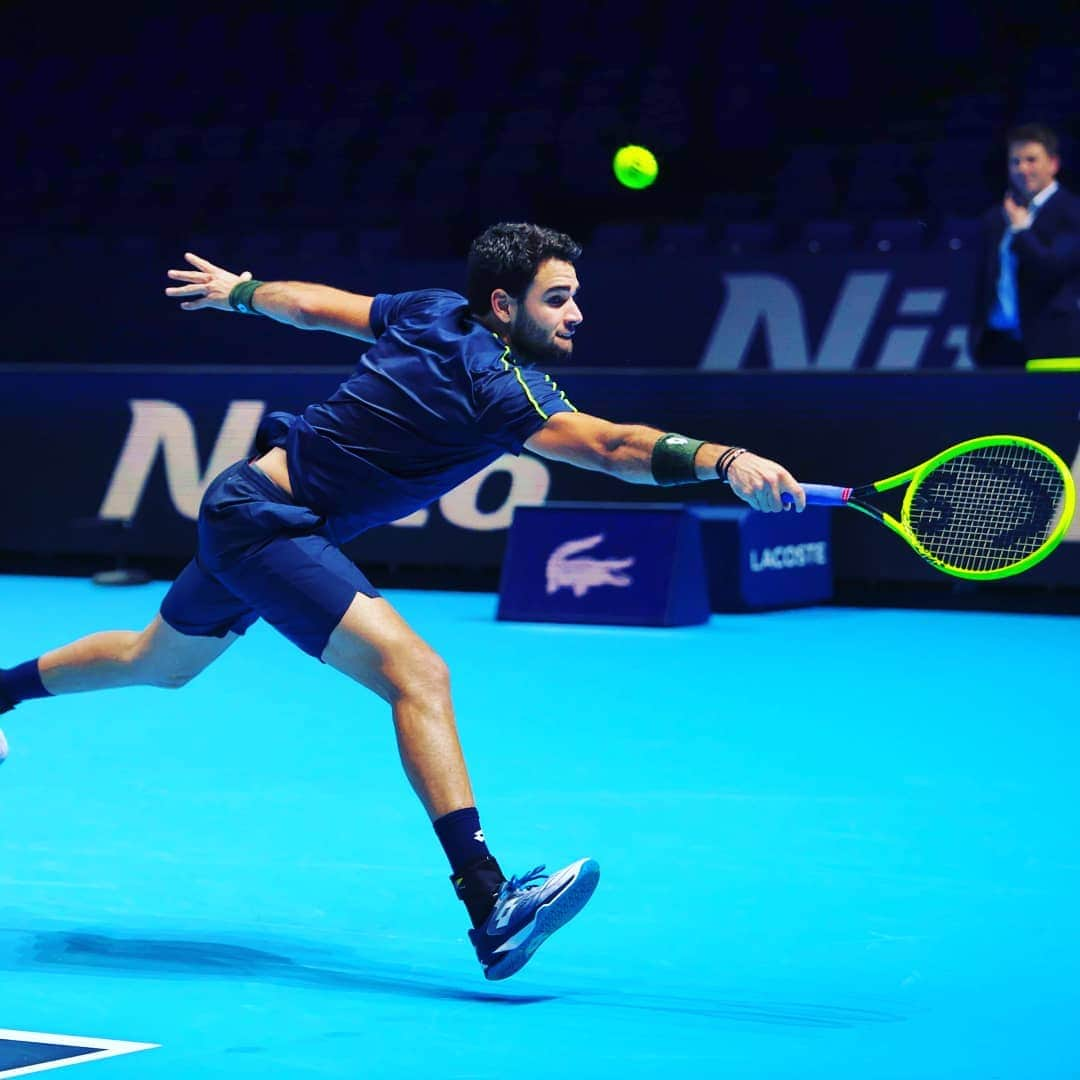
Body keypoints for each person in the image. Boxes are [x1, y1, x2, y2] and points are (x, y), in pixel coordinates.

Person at [0, 222, 805, 980]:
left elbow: (318, 307)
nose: (575, 312)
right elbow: (608, 447)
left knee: (158, 661)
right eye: (557, 297)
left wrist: (241, 291)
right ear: (504, 304)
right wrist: (722, 459)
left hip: (252, 505)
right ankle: (492, 902)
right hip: (266, 523)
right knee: (416, 673)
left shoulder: (431, 313)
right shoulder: (500, 386)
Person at [971, 122, 1080, 368]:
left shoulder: (1072, 212)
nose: (1022, 168)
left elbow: (1052, 268)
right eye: (1015, 161)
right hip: (999, 347)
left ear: (1053, 164)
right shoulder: (997, 217)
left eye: (1031, 160)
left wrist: (1021, 231)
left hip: (1053, 347)